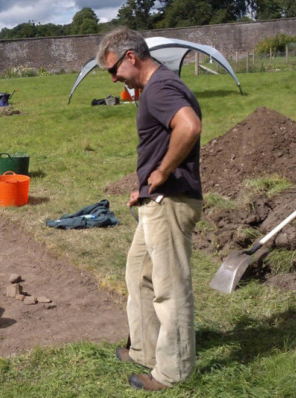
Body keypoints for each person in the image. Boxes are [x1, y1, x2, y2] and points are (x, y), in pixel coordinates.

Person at [96, 27, 203, 391]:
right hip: (154, 199)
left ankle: (172, 371)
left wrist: (162, 172)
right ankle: (144, 349)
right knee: (138, 274)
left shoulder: (160, 88)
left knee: (170, 289)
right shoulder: (155, 89)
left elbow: (189, 127)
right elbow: (162, 140)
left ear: (131, 57)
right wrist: (142, 187)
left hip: (170, 201)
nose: (113, 79)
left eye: (113, 70)